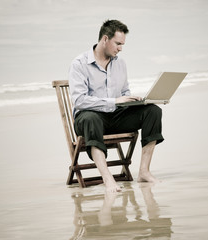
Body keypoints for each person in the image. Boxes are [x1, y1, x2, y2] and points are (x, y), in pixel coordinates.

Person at [68, 19, 164, 193]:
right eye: (118, 43)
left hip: (115, 116)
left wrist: (135, 100)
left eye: (122, 44)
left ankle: (144, 171)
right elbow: (80, 101)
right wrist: (114, 101)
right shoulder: (79, 64)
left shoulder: (120, 63)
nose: (120, 48)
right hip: (89, 118)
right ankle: (108, 178)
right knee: (91, 118)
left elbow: (124, 92)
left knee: (153, 111)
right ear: (105, 39)